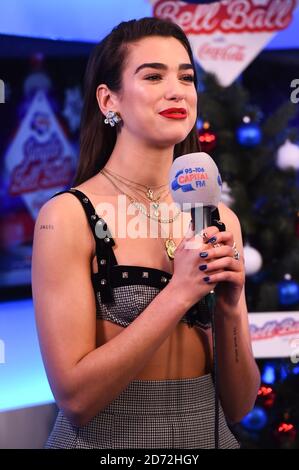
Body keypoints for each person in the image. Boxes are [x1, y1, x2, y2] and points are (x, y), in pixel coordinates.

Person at [31, 17, 260, 449]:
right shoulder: (66, 216)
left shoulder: (219, 219)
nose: (177, 90)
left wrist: (230, 305)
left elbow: (239, 405)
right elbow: (76, 399)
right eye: (153, 75)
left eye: (186, 77)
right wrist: (180, 292)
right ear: (108, 99)